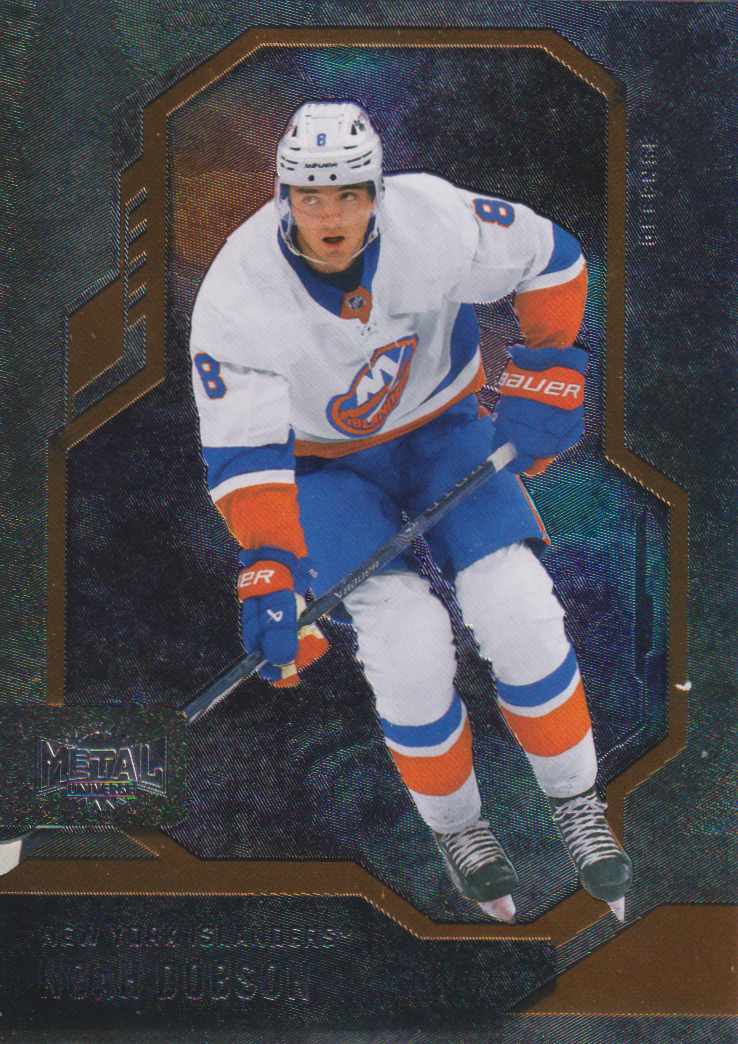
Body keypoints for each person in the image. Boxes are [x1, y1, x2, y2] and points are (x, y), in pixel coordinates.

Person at [189, 101, 633, 923]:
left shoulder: (433, 218)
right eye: (311, 197)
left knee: (518, 605)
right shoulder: (236, 295)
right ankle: (459, 827)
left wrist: (551, 362)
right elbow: (244, 456)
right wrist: (270, 567)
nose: (331, 217)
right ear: (283, 195)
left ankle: (576, 801)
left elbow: (552, 258)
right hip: (320, 468)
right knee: (406, 640)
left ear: (378, 191)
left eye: (349, 195)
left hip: (442, 430)